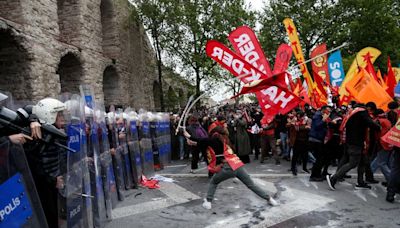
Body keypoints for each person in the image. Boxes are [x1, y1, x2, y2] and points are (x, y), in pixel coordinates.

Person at [183, 126, 278, 209]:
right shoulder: (225, 140)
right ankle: (269, 199)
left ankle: (208, 202)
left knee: (213, 182)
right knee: (251, 185)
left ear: (215, 132)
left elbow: (202, 141)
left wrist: (189, 136)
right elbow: (203, 143)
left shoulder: (215, 139)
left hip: (228, 168)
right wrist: (192, 142)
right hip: (237, 165)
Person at [25, 98, 67, 227]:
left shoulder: (55, 133)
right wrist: (53, 180)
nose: (63, 118)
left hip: (56, 182)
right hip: (44, 187)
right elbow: (35, 166)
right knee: (50, 217)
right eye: (59, 115)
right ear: (48, 115)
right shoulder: (36, 135)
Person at [326, 103, 381, 190]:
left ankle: (360, 182)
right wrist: (378, 126)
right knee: (353, 163)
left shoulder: (352, 113)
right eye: (371, 111)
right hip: (356, 142)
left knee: (363, 161)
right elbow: (370, 123)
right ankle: (334, 178)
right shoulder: (362, 112)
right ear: (369, 108)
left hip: (351, 141)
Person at [309, 106, 331, 181]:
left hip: (320, 139)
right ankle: (314, 175)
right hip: (316, 139)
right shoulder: (317, 116)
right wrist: (323, 120)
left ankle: (318, 174)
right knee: (319, 159)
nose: (329, 113)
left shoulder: (320, 116)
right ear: (324, 111)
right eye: (328, 111)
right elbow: (317, 126)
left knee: (321, 158)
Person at [289, 111, 311, 176]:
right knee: (295, 156)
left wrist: (301, 127)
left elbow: (309, 127)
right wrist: (304, 127)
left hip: (305, 141)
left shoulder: (307, 120)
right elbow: (294, 127)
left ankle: (304, 168)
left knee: (305, 156)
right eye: (301, 116)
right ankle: (293, 169)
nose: (303, 117)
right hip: (296, 141)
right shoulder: (294, 120)